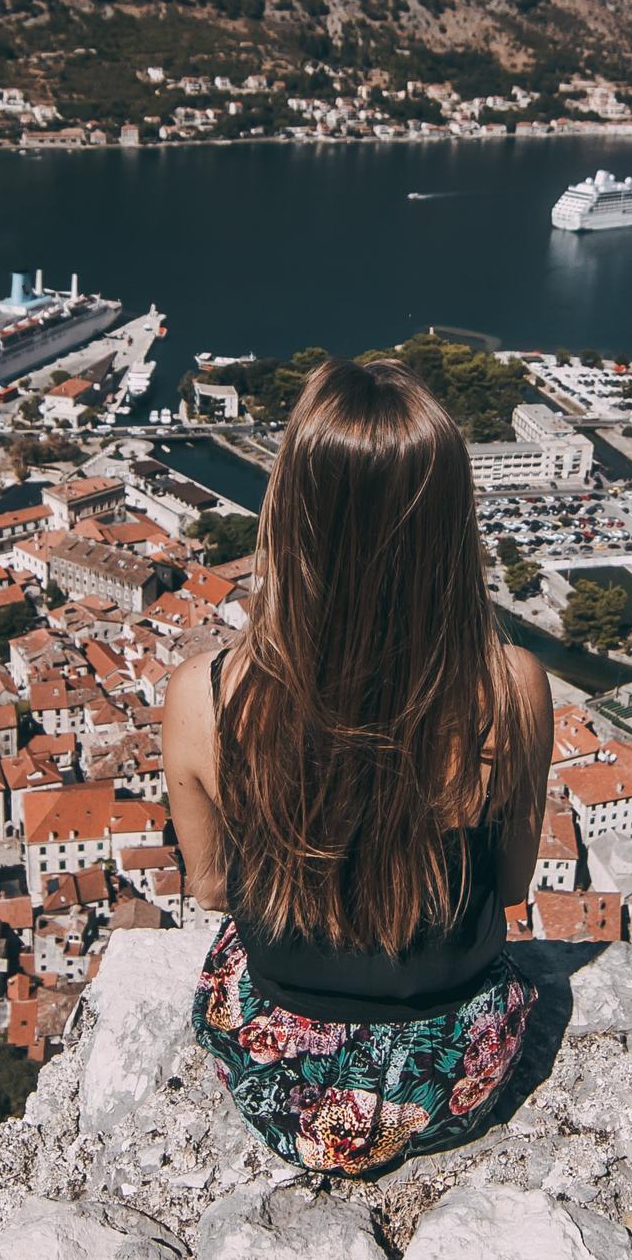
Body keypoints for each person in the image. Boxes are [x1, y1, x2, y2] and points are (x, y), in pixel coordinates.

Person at [164, 356, 555, 1177]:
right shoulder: (511, 688)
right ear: (451, 521)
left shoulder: (206, 698)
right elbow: (513, 886)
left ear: (289, 512)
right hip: (453, 1075)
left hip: (287, 1078)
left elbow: (209, 890)